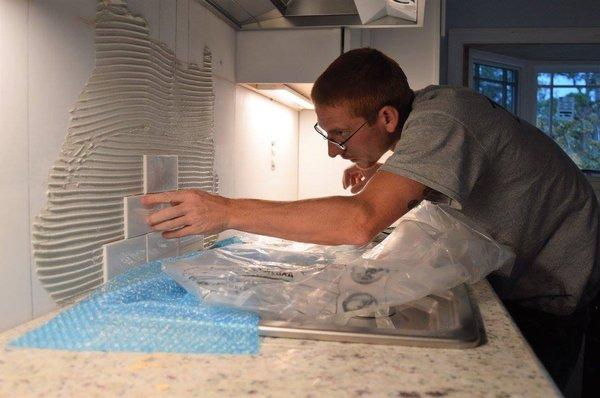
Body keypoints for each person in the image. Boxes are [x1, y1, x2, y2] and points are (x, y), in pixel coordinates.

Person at [142, 48, 599, 395]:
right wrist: (392, 174)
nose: (333, 150)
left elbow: (360, 222)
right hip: (528, 263)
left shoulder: (445, 117)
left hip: (555, 281)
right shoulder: (433, 115)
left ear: (386, 116)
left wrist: (225, 211)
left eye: (339, 134)